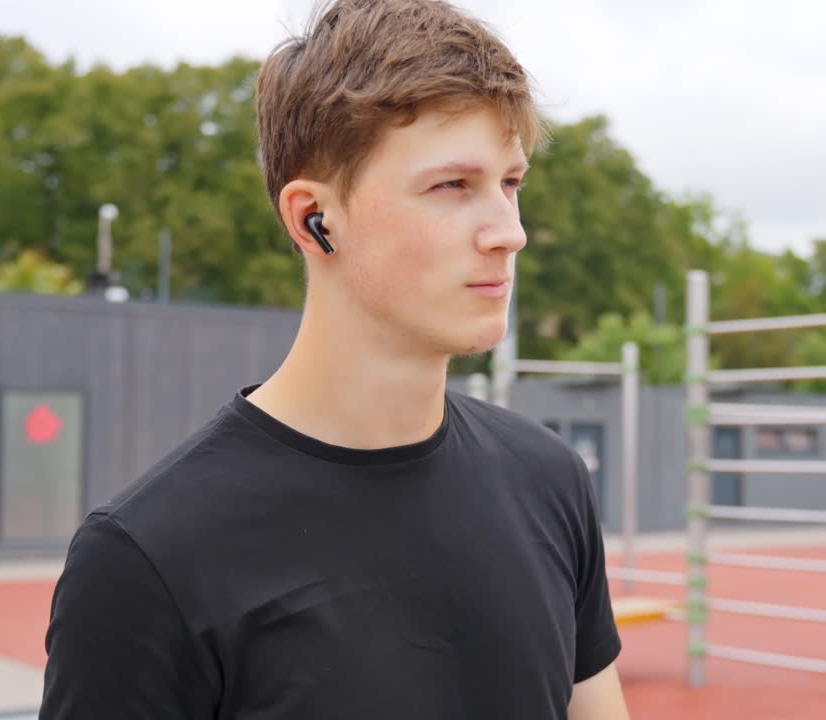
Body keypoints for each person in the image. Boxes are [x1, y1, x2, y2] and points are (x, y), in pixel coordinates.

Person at [39, 1, 629, 717]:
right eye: (453, 186)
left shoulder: (550, 482)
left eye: (511, 183)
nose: (510, 232)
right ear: (314, 219)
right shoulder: (146, 559)